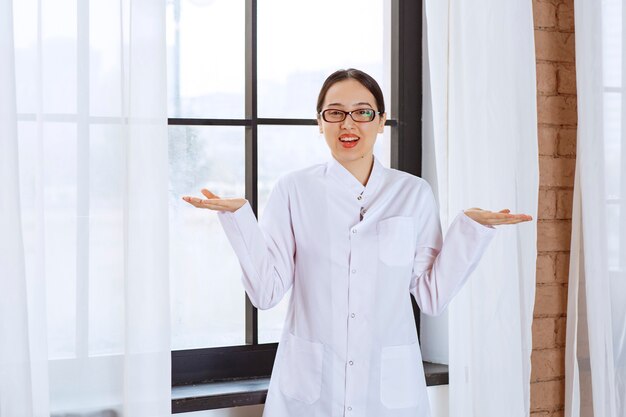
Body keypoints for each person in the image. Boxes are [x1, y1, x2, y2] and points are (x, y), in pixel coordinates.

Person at [182, 68, 532, 417]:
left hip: (388, 393)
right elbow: (266, 292)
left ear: (381, 121)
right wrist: (239, 219)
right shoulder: (293, 190)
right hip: (310, 391)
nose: (348, 124)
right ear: (320, 123)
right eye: (334, 113)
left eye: (363, 112)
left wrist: (470, 231)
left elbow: (431, 295)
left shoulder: (412, 193)